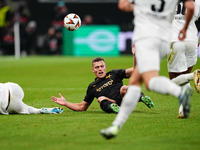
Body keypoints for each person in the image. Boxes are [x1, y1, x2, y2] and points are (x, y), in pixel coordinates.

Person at [100, 0, 194, 139]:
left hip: (147, 38)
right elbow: (191, 6)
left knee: (150, 81)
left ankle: (180, 92)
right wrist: (185, 28)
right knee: (135, 81)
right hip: (164, 40)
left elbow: (123, 5)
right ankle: (116, 126)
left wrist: (138, 7)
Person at [51, 57, 154, 114]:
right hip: (112, 103)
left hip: (125, 99)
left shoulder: (114, 73)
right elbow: (82, 106)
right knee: (100, 98)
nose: (100, 69)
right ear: (93, 70)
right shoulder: (92, 87)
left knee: (124, 88)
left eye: (101, 66)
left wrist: (135, 56)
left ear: (105, 67)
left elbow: (135, 71)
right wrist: (66, 103)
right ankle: (115, 108)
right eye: (97, 67)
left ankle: (143, 98)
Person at [167, 1, 200, 118]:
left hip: (176, 41)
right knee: (184, 77)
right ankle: (183, 109)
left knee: (174, 81)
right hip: (192, 40)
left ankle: (194, 75)